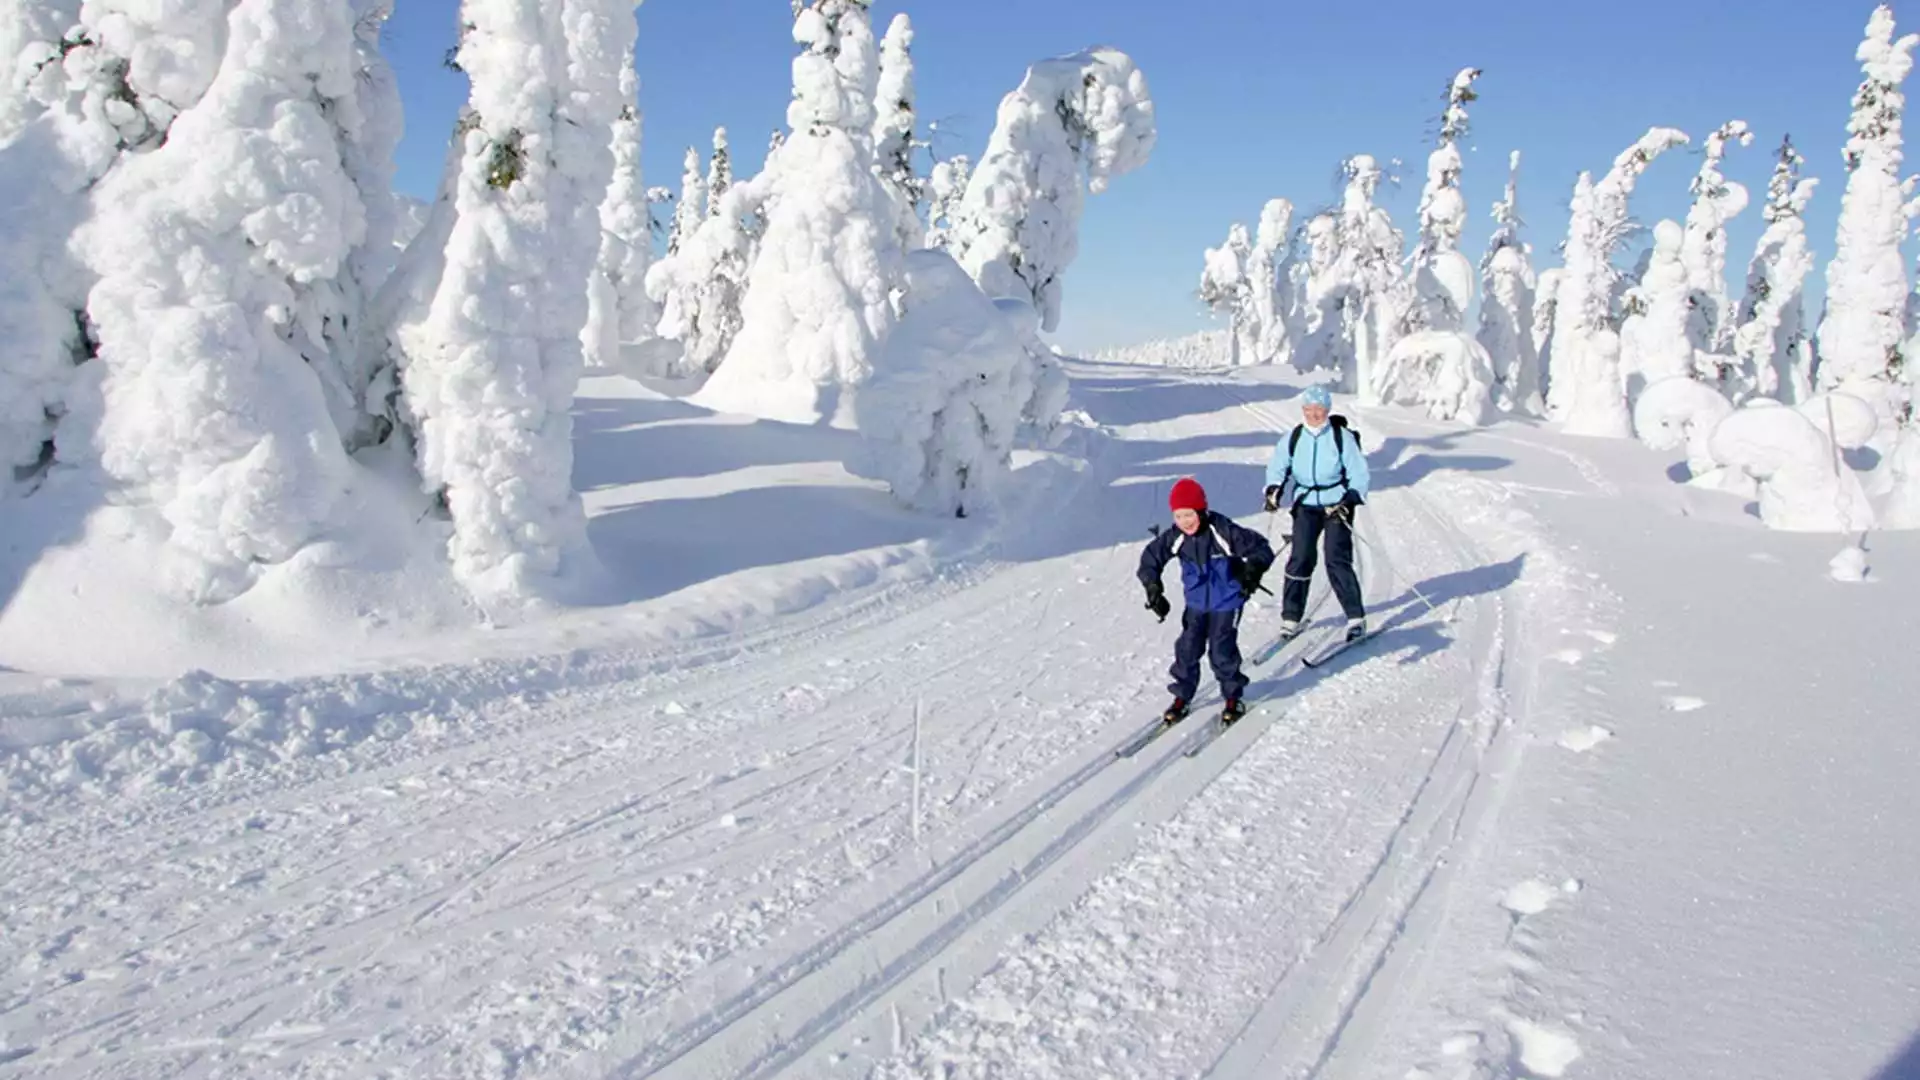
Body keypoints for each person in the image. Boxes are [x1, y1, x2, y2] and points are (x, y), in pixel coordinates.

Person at [1137, 476, 1275, 726]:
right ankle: (1182, 696)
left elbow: (1261, 548)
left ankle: (1233, 696)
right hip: (1196, 603)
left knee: (1222, 651)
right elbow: (1151, 558)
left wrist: (1253, 570)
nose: (1184, 522)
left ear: (1201, 510)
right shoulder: (1176, 537)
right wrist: (1153, 587)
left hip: (1228, 600)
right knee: (1187, 649)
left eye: (1189, 515)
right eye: (1178, 516)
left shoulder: (1223, 531)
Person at [1263, 385, 1370, 644]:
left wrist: (1352, 497)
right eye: (1309, 409)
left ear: (1327, 410)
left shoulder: (1340, 436)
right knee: (1300, 557)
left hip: (1336, 503)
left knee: (1336, 558)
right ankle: (1291, 617)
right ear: (1303, 410)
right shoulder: (1294, 437)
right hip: (1306, 503)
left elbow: (1358, 471)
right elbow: (1278, 467)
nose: (1314, 414)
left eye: (1319, 410)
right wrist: (1273, 489)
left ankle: (1356, 617)